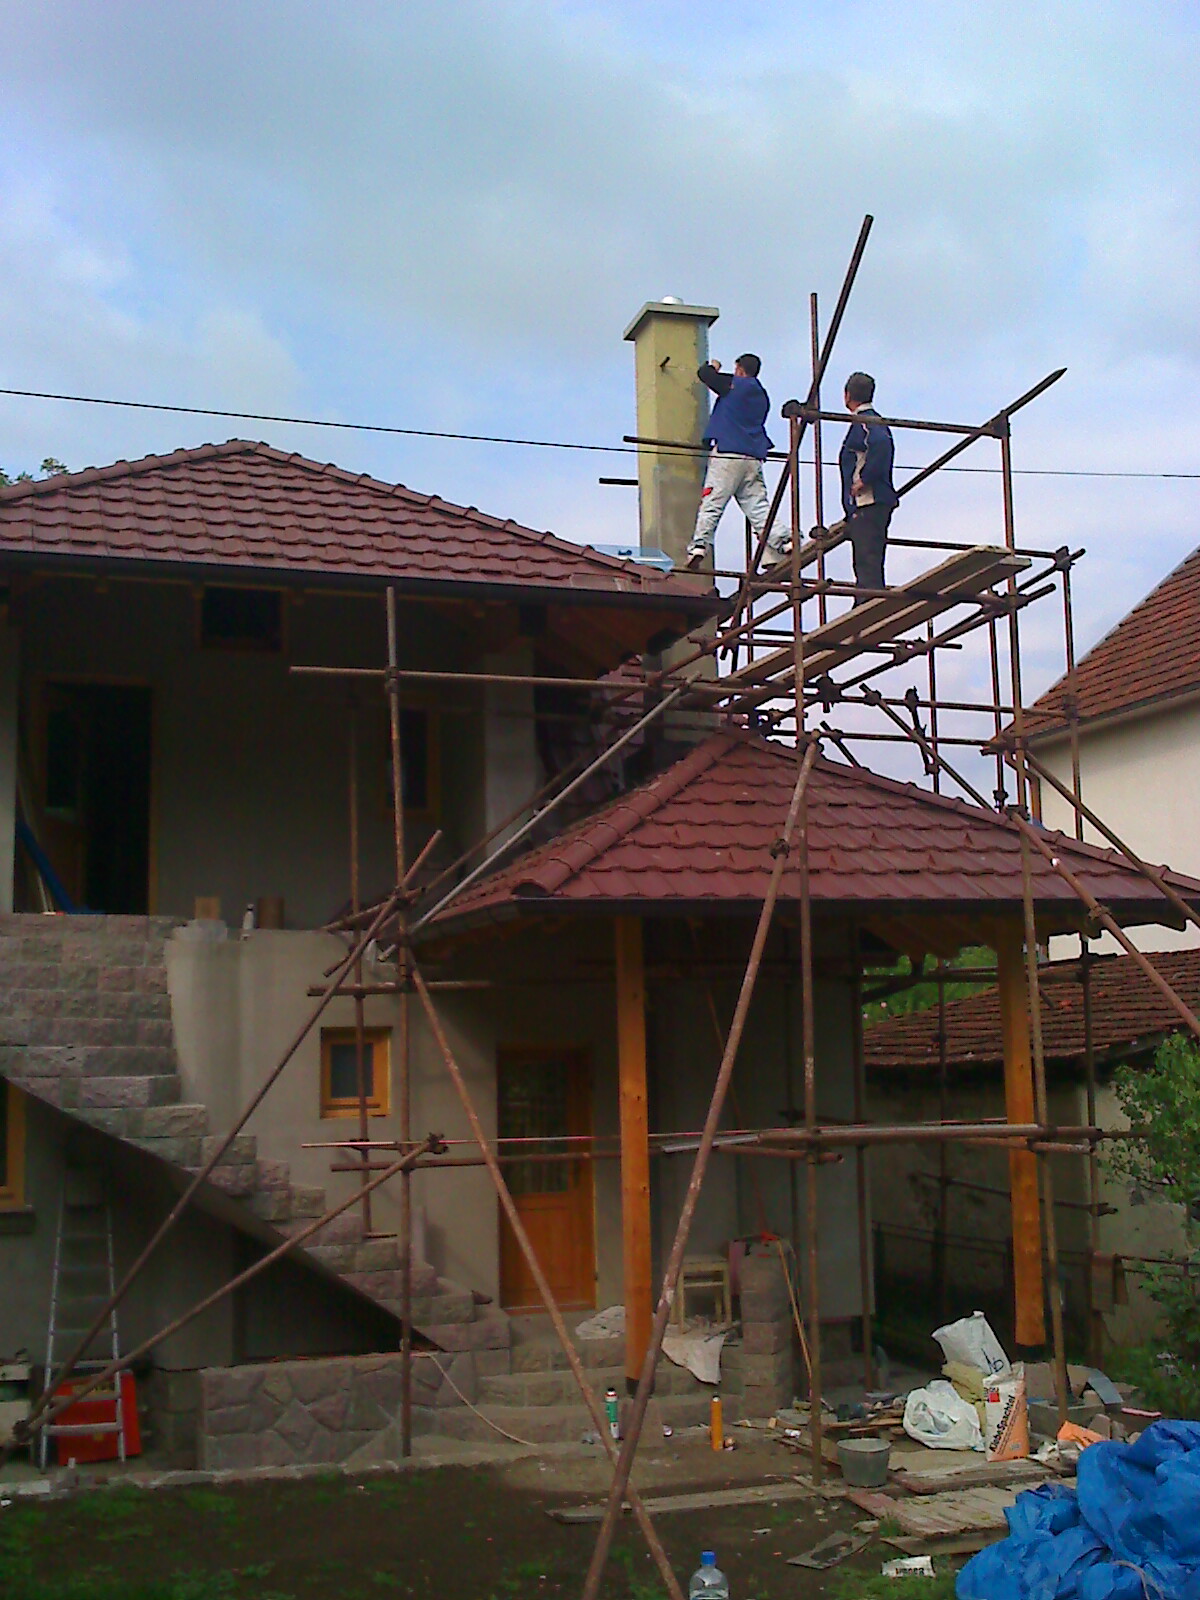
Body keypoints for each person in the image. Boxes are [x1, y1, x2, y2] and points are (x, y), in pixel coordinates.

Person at [686, 354, 773, 570]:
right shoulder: (762, 395)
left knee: (713, 501)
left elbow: (705, 375)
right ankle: (784, 540)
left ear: (740, 369)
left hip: (728, 452)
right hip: (753, 455)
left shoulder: (734, 385)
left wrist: (714, 366)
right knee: (757, 506)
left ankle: (699, 545)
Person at [839, 371, 897, 600]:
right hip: (869, 503)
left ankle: (869, 603)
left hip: (869, 501)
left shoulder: (865, 422)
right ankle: (866, 600)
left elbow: (881, 444)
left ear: (847, 395)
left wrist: (864, 479)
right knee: (867, 560)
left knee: (867, 559)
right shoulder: (868, 421)